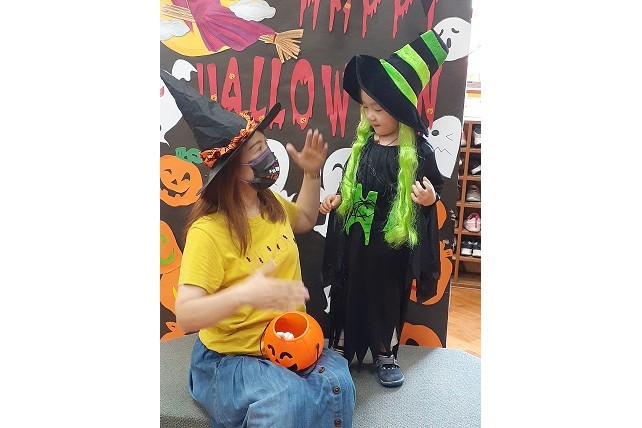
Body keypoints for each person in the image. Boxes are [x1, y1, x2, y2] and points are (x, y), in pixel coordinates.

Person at [160, 70, 356, 428]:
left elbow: (306, 218)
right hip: (230, 357)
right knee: (286, 399)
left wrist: (312, 174)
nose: (268, 154)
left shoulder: (271, 203)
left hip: (286, 342)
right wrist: (245, 294)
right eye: (257, 150)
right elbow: (186, 315)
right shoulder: (209, 231)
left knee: (337, 384)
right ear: (232, 169)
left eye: (266, 145)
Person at [320, 29, 449, 388]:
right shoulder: (362, 146)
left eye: (379, 108)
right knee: (347, 289)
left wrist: (429, 199)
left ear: (400, 110)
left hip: (390, 245)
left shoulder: (417, 152)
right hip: (355, 239)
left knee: (386, 295)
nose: (371, 115)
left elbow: (435, 189)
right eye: (366, 107)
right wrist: (336, 200)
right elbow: (350, 185)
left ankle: (384, 352)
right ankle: (341, 347)